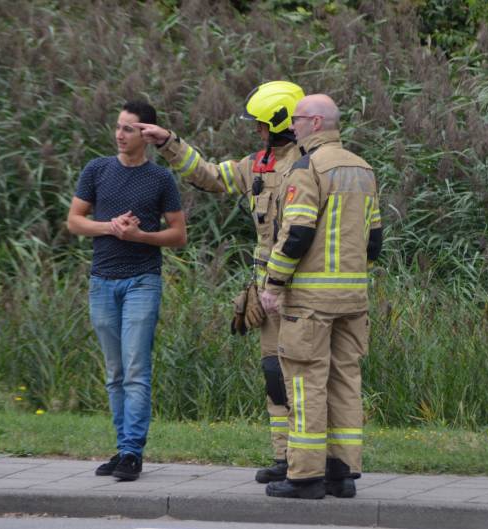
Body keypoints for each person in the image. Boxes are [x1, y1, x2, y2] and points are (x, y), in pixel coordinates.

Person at [135, 81, 305, 483]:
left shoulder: (309, 164)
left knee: (305, 380)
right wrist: (168, 143)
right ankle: (283, 458)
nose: (256, 132)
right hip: (266, 292)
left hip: (302, 291)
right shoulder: (257, 163)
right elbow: (209, 175)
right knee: (274, 376)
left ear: (280, 123)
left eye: (261, 125)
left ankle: (311, 461)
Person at [260, 94, 382, 499]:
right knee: (345, 380)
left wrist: (273, 284)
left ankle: (305, 477)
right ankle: (341, 473)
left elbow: (296, 232)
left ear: (314, 122)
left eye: (296, 120)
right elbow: (375, 243)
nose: (290, 127)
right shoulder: (363, 169)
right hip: (354, 299)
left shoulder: (306, 167)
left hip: (310, 301)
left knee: (304, 383)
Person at [67, 100, 187, 481]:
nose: (119, 135)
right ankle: (121, 449)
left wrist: (139, 236)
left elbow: (178, 235)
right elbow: (74, 221)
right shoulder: (97, 170)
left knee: (136, 368)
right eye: (118, 127)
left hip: (142, 281)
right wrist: (110, 227)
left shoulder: (161, 179)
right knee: (114, 372)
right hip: (102, 282)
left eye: (129, 129)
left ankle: (133, 452)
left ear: (147, 134)